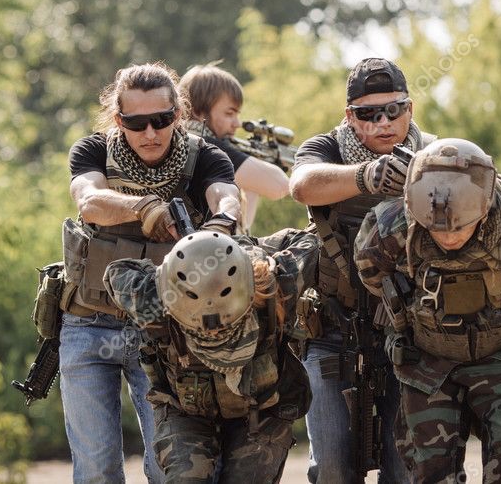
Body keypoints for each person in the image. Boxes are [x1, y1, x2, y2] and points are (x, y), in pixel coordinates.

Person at [354, 138, 501, 484]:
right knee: (429, 473)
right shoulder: (391, 227)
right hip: (428, 360)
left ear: (484, 206)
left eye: (459, 227)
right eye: (437, 228)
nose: (448, 237)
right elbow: (371, 273)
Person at [62, 62, 241, 483]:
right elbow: (89, 200)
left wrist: (221, 222)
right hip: (89, 325)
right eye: (136, 123)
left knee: (167, 470)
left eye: (161, 120)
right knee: (97, 469)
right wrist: (144, 208)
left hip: (164, 334)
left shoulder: (202, 157)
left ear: (178, 114)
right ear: (117, 119)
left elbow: (226, 195)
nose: (150, 133)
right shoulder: (92, 151)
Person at [288, 57, 434, 483]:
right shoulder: (327, 149)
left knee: (404, 467)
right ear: (350, 117)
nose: (383, 122)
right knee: (333, 467)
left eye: (394, 110)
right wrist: (368, 176)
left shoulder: (432, 154)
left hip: (409, 333)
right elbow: (302, 185)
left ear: (410, 109)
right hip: (333, 330)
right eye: (369, 114)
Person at [103, 228, 319, 483]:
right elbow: (116, 272)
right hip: (186, 413)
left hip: (261, 412)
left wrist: (245, 248)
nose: (215, 331)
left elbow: (308, 241)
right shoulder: (155, 298)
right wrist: (165, 277)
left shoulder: (279, 280)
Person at [179, 64, 290, 231]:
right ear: (199, 112)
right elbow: (280, 186)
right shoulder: (206, 144)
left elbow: (243, 225)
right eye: (229, 113)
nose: (237, 123)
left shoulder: (181, 140)